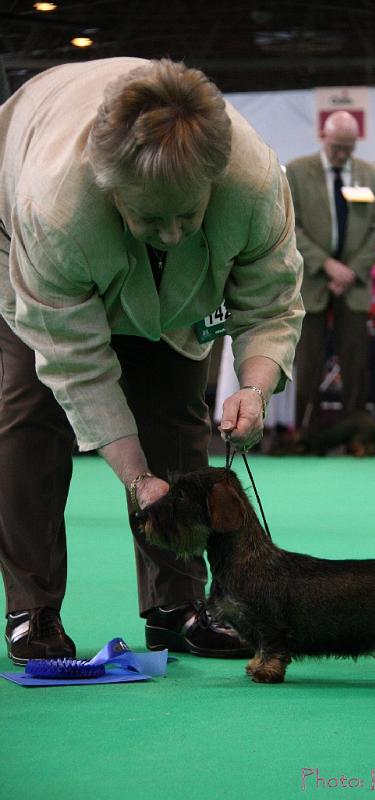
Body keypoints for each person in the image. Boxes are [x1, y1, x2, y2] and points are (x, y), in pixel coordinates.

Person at [0, 57, 304, 664]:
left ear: (214, 184)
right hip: (16, 231)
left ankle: (178, 608)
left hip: (164, 282)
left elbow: (271, 301)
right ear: (111, 189)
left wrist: (255, 384)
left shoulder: (255, 183)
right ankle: (31, 608)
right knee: (30, 416)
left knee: (174, 410)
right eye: (148, 218)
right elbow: (76, 361)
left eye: (185, 217)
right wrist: (137, 479)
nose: (168, 235)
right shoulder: (55, 208)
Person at [285, 111, 375, 443]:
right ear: (322, 136)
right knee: (308, 361)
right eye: (336, 147)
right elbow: (290, 225)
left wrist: (351, 270)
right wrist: (326, 265)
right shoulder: (298, 172)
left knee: (355, 360)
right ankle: (303, 433)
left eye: (348, 147)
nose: (342, 154)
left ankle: (355, 435)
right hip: (313, 281)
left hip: (354, 285)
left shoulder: (369, 175)